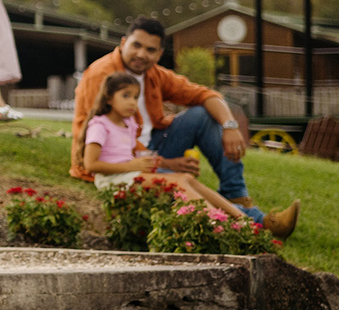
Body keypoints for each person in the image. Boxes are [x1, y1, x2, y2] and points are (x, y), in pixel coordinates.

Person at [71, 18, 300, 237]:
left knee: (204, 114)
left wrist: (230, 126)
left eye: (150, 50)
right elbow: (104, 142)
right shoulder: (102, 76)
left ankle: (237, 197)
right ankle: (255, 223)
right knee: (180, 180)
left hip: (151, 148)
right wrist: (164, 163)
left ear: (159, 54)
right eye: (136, 45)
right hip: (120, 163)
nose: (141, 54)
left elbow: (205, 94)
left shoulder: (154, 74)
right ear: (123, 43)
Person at [83, 72, 263, 222]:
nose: (132, 102)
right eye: (125, 96)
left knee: (186, 178)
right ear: (108, 98)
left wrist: (150, 161)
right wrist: (131, 166)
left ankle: (244, 221)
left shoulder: (128, 124)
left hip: (130, 174)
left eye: (136, 97)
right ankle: (220, 224)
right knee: (177, 183)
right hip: (112, 181)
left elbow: (127, 152)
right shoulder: (99, 126)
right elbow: (91, 165)